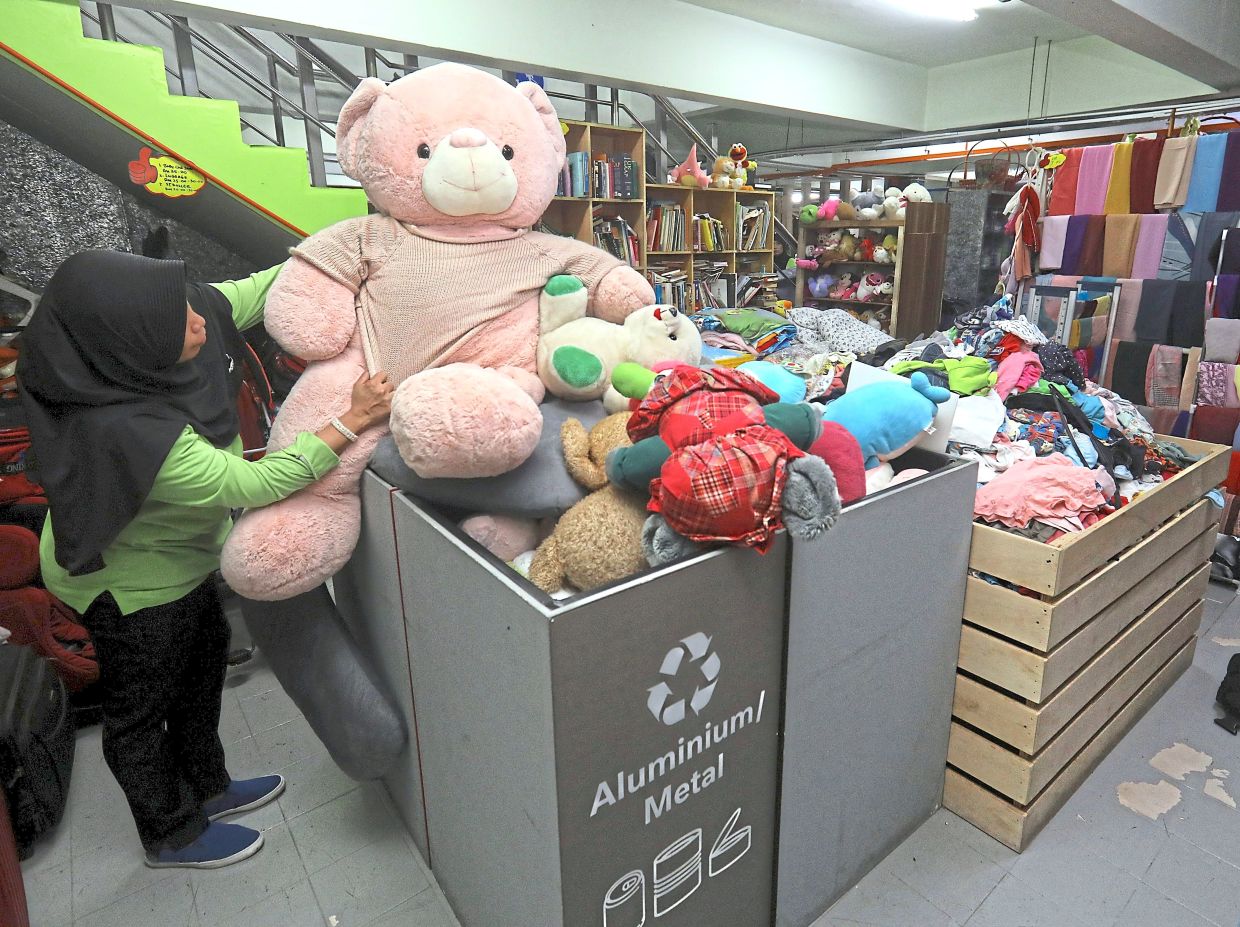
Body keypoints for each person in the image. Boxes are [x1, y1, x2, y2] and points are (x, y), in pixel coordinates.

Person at [16, 250, 393, 869]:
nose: (200, 319)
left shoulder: (167, 331)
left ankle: (210, 787)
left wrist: (355, 245)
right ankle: (170, 833)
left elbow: (260, 287)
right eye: (180, 317)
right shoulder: (132, 431)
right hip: (131, 585)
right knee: (141, 713)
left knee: (199, 678)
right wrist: (352, 419)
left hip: (184, 558)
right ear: (135, 345)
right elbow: (259, 483)